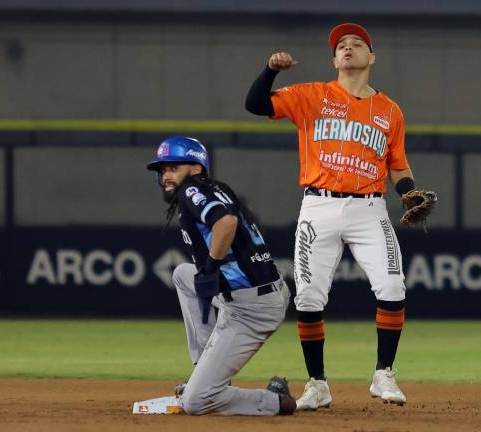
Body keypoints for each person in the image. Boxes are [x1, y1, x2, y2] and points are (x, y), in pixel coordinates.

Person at [245, 23, 415, 409]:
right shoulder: (312, 96)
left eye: (357, 44)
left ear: (371, 57)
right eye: (341, 45)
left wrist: (408, 194)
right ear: (334, 59)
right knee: (307, 295)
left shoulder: (389, 111)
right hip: (318, 205)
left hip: (369, 207)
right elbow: (256, 105)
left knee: (392, 286)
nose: (348, 48)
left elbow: (398, 167)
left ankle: (384, 374)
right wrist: (270, 70)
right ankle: (317, 384)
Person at [146, 135, 295, 416]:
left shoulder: (191, 190)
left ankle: (276, 401)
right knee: (183, 275)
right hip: (254, 292)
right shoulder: (210, 188)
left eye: (174, 167)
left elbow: (226, 221)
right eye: (162, 169)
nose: (166, 174)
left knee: (196, 402)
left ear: (196, 167)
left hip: (251, 307)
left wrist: (212, 267)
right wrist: (208, 272)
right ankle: (205, 369)